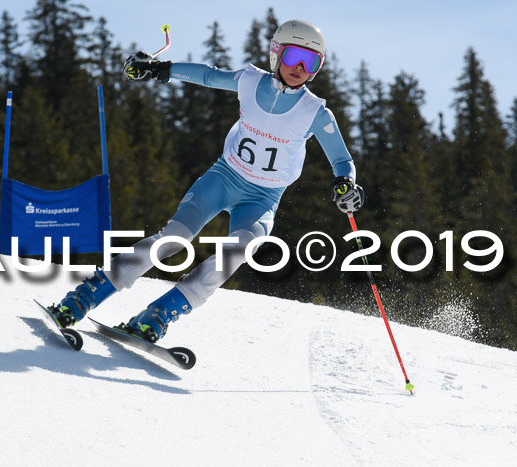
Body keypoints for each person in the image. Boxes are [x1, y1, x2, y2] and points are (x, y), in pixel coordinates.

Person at [47, 19, 364, 343]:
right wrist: (160, 69)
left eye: (310, 61)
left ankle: (157, 315)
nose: (299, 66)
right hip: (224, 177)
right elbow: (209, 76)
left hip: (263, 198)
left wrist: (346, 184)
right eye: (293, 55)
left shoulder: (315, 111)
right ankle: (84, 296)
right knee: (172, 239)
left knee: (238, 252)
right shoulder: (250, 81)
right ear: (275, 53)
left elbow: (342, 160)